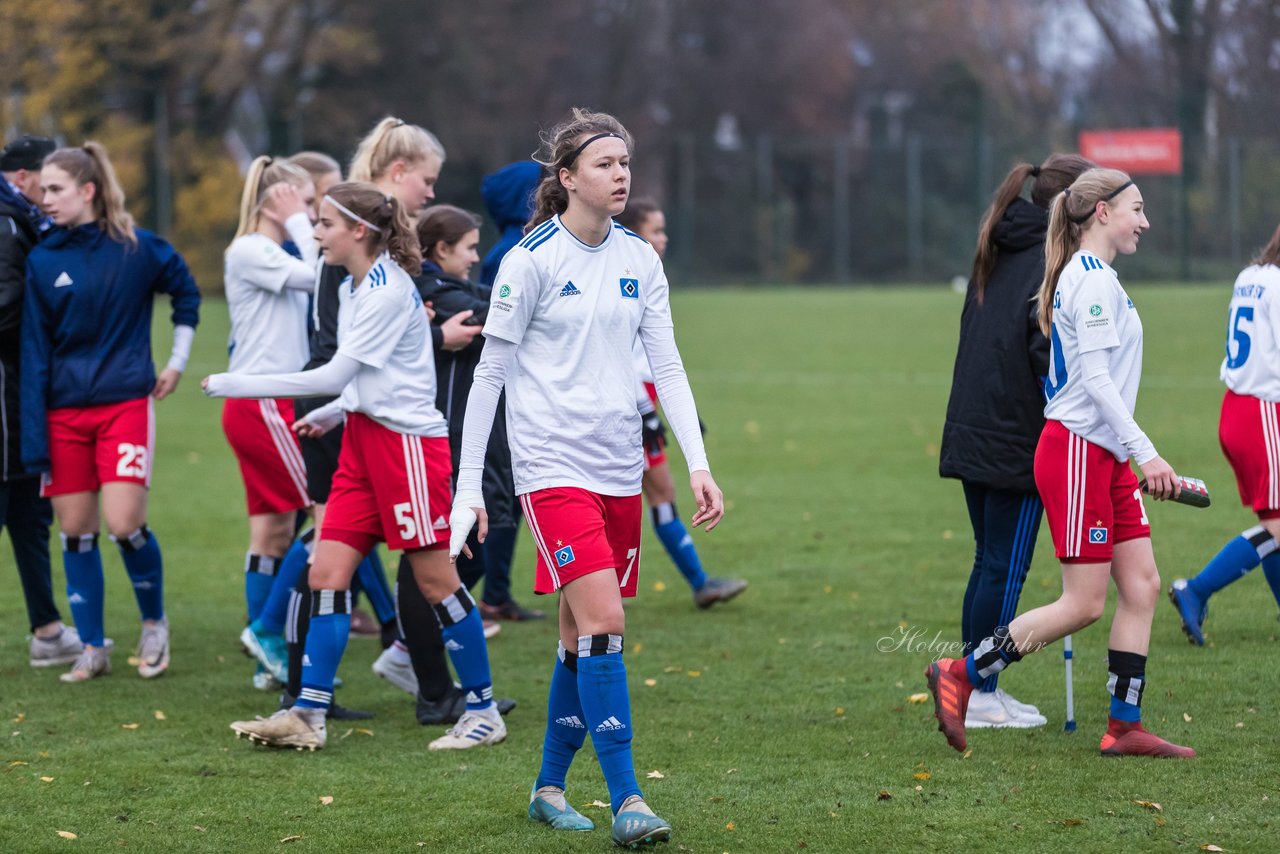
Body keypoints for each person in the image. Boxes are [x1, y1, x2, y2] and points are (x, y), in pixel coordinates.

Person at [450, 108, 724, 846]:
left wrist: (697, 463)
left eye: (625, 163)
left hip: (618, 468)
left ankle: (546, 788)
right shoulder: (530, 259)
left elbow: (666, 367)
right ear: (566, 178)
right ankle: (630, 799)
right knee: (606, 624)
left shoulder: (640, 258)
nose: (620, 174)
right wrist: (468, 486)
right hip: (550, 468)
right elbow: (490, 378)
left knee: (577, 641)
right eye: (604, 164)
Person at [207, 182, 506, 752]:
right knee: (326, 572)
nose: (315, 233)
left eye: (323, 224)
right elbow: (369, 380)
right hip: (363, 445)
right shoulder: (353, 286)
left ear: (358, 231)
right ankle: (308, 715)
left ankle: (484, 711)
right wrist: (334, 413)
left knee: (436, 581)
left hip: (407, 449)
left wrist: (235, 384)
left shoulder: (386, 292)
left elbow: (333, 373)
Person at [924, 167, 1196, 759]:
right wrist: (1145, 452)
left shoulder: (1091, 276)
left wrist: (1127, 455)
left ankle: (1124, 726)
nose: (1144, 221)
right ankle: (960, 673)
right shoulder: (1091, 280)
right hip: (1076, 452)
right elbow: (1096, 380)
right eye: (1137, 209)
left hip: (1101, 455)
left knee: (1143, 585)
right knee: (1084, 604)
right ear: (1102, 212)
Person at [21, 142, 201, 682]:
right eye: (42, 190)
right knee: (75, 531)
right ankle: (93, 647)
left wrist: (175, 361)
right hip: (62, 415)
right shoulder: (42, 258)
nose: (44, 200)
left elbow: (186, 294)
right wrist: (35, 438)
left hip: (124, 404)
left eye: (55, 189)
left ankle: (153, 623)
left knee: (125, 525)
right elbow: (34, 352)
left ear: (88, 190)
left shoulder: (137, 248)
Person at [938, 155, 1094, 728]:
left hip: (977, 431)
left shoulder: (1002, 247)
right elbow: (1043, 360)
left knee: (989, 561)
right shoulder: (1052, 264)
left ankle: (978, 685)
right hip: (1016, 440)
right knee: (1002, 566)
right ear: (1074, 207)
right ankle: (976, 691)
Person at [617, 198, 747, 609]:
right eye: (655, 230)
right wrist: (646, 411)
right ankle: (696, 582)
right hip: (630, 403)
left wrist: (680, 415)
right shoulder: (623, 274)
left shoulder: (646, 273)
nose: (664, 238)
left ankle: (698, 582)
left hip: (646, 399)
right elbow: (621, 354)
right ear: (636, 234)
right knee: (654, 494)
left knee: (658, 494)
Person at [221, 156, 318, 687]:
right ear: (277, 202)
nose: (312, 216)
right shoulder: (251, 249)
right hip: (266, 402)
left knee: (273, 532)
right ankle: (267, 631)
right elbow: (321, 277)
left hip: (268, 401)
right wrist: (301, 226)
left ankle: (268, 660)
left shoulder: (266, 250)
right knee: (326, 515)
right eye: (305, 204)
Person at [1169, 223, 1280, 643]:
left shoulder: (1251, 275)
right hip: (1264, 412)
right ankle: (1194, 589)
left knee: (1274, 521)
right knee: (1276, 525)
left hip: (1239, 407)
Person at [1, 134, 88, 668]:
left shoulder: (18, 221)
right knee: (18, 502)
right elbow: (7, 308)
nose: (51, 194)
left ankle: (47, 629)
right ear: (24, 178)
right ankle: (48, 628)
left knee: (29, 510)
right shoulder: (9, 225)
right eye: (48, 181)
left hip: (20, 388)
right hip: (8, 387)